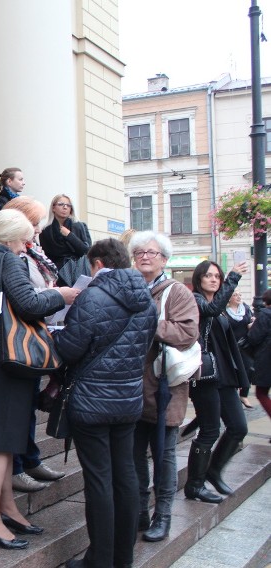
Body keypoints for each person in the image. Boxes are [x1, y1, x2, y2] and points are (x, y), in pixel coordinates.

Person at [0, 209, 78, 550]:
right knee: (1, 442)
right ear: (15, 237)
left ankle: (7, 509)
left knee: (7, 439)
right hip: (6, 358)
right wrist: (62, 295)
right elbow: (29, 303)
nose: (30, 242)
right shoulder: (8, 261)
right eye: (28, 235)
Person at [54, 238, 157, 568]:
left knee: (99, 480)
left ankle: (98, 560)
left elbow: (70, 350)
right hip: (128, 400)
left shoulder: (93, 297)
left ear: (97, 263)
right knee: (126, 477)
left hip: (91, 403)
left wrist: (55, 334)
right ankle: (122, 558)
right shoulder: (147, 301)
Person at [128, 231, 199, 543]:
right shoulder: (129, 286)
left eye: (152, 253)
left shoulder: (177, 293)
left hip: (164, 388)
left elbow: (187, 333)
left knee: (164, 455)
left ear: (165, 259)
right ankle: (141, 511)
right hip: (131, 387)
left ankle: (164, 515)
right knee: (134, 456)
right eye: (140, 252)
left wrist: (149, 323)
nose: (145, 256)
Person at [2, 196, 67, 492]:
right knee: (16, 409)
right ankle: (17, 467)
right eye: (34, 222)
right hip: (17, 341)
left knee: (27, 406)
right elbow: (26, 300)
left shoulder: (32, 251)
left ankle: (30, 459)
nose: (39, 229)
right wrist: (58, 296)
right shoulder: (9, 255)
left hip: (35, 335)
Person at [185, 259, 250, 502]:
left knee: (239, 428)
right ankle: (195, 485)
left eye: (217, 276)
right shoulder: (196, 301)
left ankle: (213, 470)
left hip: (224, 376)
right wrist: (233, 277)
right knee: (210, 430)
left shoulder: (218, 305)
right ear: (199, 279)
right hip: (205, 376)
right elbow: (209, 313)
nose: (214, 279)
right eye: (208, 275)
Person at [39, 194, 92, 282]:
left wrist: (69, 235)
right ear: (53, 208)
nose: (65, 207)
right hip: (58, 275)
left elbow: (86, 251)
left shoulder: (80, 226)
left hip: (81, 271)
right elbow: (47, 257)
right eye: (61, 204)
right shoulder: (45, 231)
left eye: (68, 205)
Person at [224, 290, 255, 408]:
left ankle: (244, 395)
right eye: (235, 295)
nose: (238, 297)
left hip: (245, 345)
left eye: (240, 295)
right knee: (233, 370)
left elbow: (249, 324)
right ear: (229, 298)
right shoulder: (224, 311)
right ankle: (234, 396)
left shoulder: (245, 308)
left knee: (249, 368)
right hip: (230, 345)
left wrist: (254, 323)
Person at [246, 289, 271, 425]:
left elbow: (254, 338)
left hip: (266, 360)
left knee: (261, 393)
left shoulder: (265, 315)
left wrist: (251, 327)